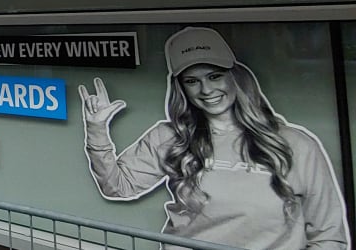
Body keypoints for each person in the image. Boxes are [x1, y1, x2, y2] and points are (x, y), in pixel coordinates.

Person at [78, 27, 349, 250]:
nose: (206, 89)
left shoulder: (295, 144)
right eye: (192, 81)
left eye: (214, 76)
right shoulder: (170, 136)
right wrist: (97, 129)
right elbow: (118, 187)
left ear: (236, 77)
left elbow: (328, 236)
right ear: (180, 88)